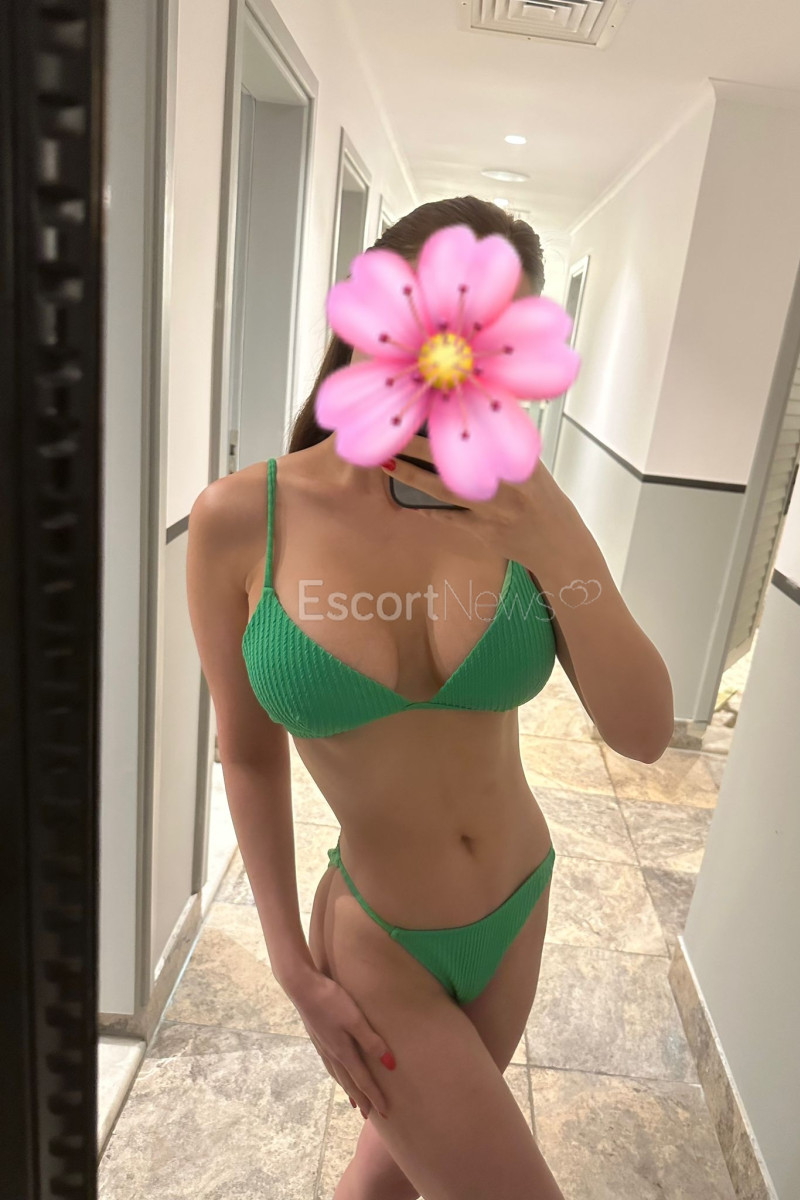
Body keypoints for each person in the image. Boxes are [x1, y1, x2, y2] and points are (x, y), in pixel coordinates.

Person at [186, 195, 673, 1200]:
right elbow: (248, 751)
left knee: (385, 1185)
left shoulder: (523, 512)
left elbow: (644, 733)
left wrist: (559, 542)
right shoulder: (244, 518)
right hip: (382, 937)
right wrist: (290, 964)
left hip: (520, 898)